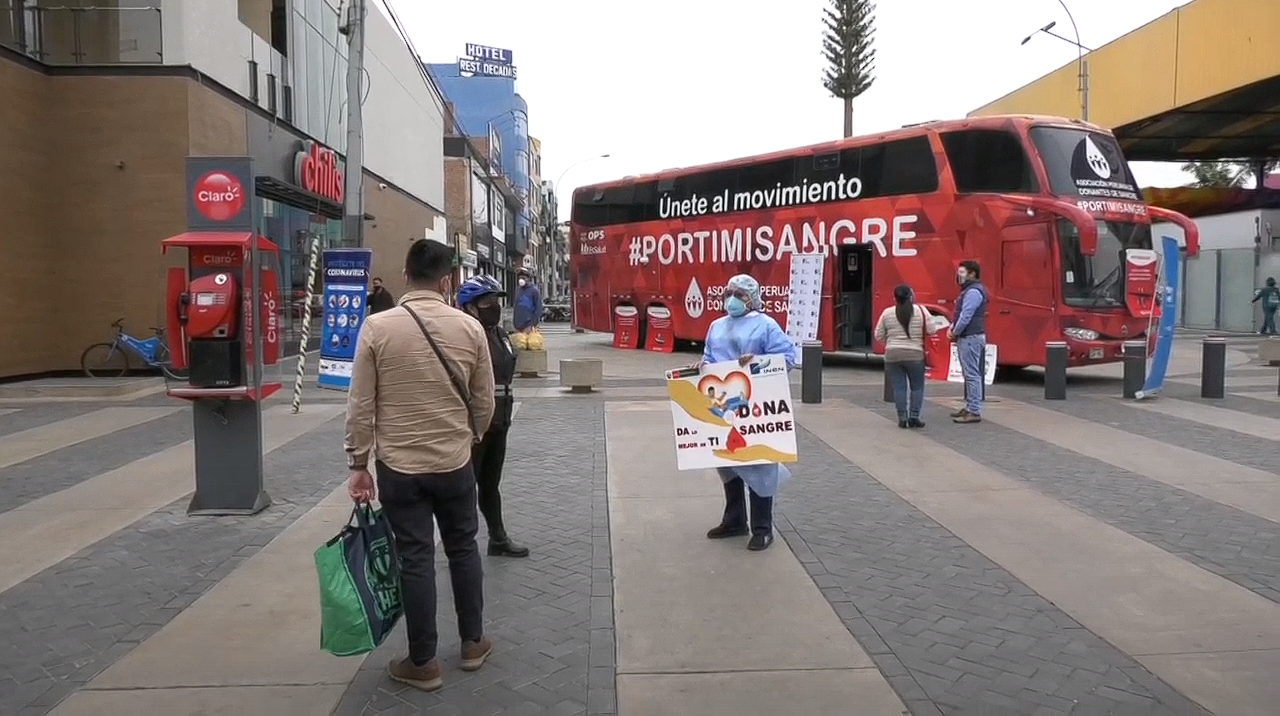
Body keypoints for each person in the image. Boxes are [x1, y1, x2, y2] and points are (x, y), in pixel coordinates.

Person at [344, 239, 496, 692]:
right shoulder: (469, 328)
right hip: (453, 462)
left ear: (406, 275)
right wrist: (471, 436)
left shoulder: (377, 327)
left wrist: (358, 461)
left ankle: (423, 661)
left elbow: (360, 403)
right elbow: (484, 399)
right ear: (448, 279)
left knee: (415, 558)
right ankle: (473, 642)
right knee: (464, 547)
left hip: (399, 467)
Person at [698, 274, 797, 552]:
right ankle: (735, 520)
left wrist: (758, 361)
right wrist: (702, 366)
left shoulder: (766, 326)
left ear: (752, 299)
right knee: (727, 463)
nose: (732, 299)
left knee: (759, 463)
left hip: (756, 408)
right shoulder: (716, 326)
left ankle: (763, 528)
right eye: (729, 293)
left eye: (739, 295)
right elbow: (709, 356)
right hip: (722, 407)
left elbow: (787, 358)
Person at [456, 274, 530, 558]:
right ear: (471, 306)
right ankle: (462, 545)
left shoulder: (498, 334)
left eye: (496, 301)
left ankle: (497, 538)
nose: (494, 307)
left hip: (500, 420)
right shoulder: (464, 335)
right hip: (475, 425)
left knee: (490, 484)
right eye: (487, 301)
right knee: (466, 488)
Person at [875, 285, 941, 429]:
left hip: (892, 355)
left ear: (895, 298)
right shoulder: (922, 311)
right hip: (915, 355)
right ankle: (914, 417)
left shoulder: (887, 313)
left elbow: (878, 334)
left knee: (899, 388)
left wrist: (890, 343)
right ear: (911, 296)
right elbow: (932, 330)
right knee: (917, 387)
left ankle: (902, 417)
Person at [949, 260, 988, 424]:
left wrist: (954, 332)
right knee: (969, 374)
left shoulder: (973, 292)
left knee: (972, 375)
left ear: (972, 273)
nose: (959, 275)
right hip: (969, 336)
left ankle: (974, 410)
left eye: (962, 272)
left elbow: (966, 315)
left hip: (970, 337)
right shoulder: (970, 291)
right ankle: (970, 406)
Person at [512, 268, 543, 335]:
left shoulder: (534, 290)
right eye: (520, 278)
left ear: (528, 279)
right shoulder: (518, 290)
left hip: (529, 325)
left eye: (523, 278)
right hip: (518, 325)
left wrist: (532, 324)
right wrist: (515, 323)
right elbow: (516, 307)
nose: (521, 280)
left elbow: (538, 308)